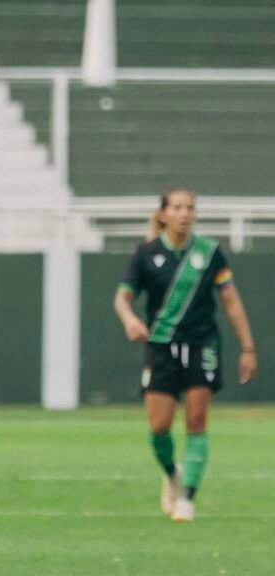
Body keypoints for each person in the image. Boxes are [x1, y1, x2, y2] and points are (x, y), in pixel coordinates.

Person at [113, 188, 257, 522]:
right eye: (177, 207)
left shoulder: (210, 253)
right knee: (158, 427)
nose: (184, 214)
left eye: (190, 207)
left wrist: (247, 347)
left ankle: (187, 497)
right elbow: (122, 298)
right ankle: (171, 474)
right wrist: (130, 319)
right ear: (163, 214)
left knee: (195, 421)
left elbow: (231, 301)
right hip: (161, 347)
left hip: (201, 344)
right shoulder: (146, 254)